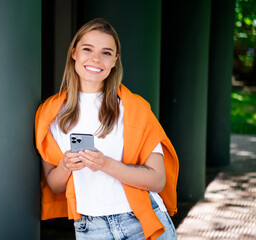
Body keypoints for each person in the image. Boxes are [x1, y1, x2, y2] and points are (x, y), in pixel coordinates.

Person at [35, 18, 179, 240]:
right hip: (90, 228)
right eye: (87, 49)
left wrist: (105, 164)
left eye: (106, 52)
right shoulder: (49, 114)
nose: (95, 58)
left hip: (140, 221)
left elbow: (157, 180)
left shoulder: (135, 108)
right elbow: (54, 186)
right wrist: (65, 166)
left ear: (115, 60)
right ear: (74, 52)